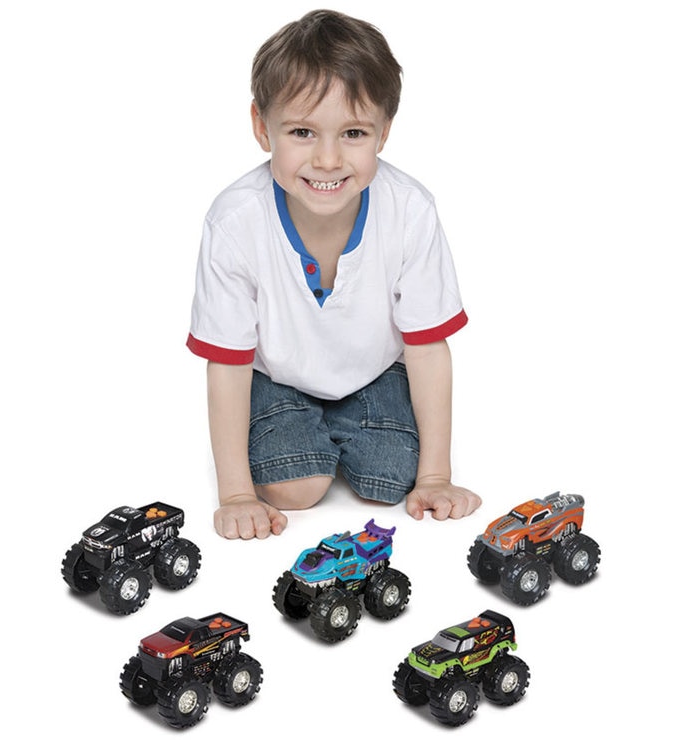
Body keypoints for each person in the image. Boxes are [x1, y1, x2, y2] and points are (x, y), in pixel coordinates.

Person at [187, 10, 481, 539]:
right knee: (296, 488)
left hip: (374, 372)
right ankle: (298, 424)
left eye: (353, 132)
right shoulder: (235, 220)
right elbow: (227, 363)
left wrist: (436, 476)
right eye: (302, 131)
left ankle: (347, 426)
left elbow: (427, 347)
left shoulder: (410, 210)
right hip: (275, 376)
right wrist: (236, 494)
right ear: (262, 127)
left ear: (383, 133)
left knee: (390, 480)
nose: (327, 159)